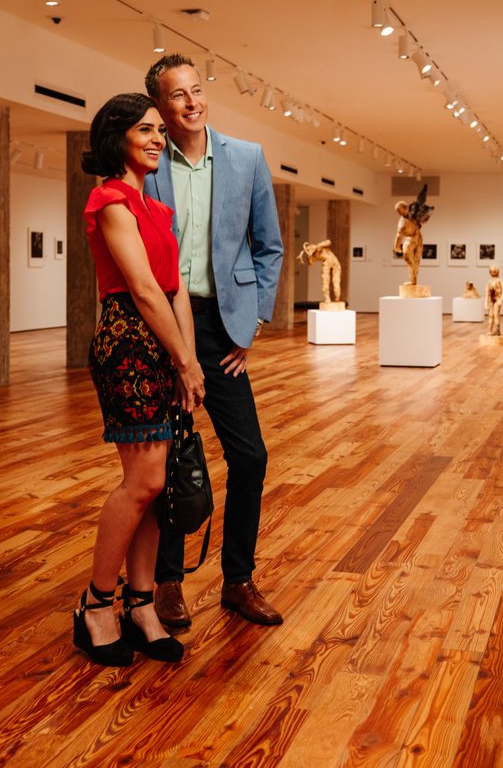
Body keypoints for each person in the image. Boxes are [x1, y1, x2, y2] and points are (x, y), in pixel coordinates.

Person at [143, 54, 285, 629]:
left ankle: (238, 579)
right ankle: (168, 582)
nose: (192, 102)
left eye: (197, 90)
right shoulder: (148, 164)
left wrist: (251, 324)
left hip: (223, 328)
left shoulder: (246, 158)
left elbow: (267, 246)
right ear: (160, 105)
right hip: (163, 327)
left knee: (250, 456)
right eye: (177, 95)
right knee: (170, 458)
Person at [75, 92, 205, 667]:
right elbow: (144, 290)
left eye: (160, 130)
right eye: (145, 129)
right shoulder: (109, 200)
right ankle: (97, 605)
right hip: (128, 341)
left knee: (155, 487)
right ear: (117, 138)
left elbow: (176, 291)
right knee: (143, 482)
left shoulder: (159, 210)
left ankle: (142, 602)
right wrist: (181, 360)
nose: (158, 137)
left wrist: (191, 361)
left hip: (166, 341)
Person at [393, 200, 424, 286]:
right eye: (398, 211)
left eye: (399, 210)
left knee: (415, 260)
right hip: (412, 239)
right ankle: (412, 279)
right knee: (409, 258)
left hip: (417, 238)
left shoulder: (411, 216)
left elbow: (399, 236)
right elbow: (399, 235)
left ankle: (413, 280)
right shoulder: (403, 222)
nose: (399, 213)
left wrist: (396, 247)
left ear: (405, 208)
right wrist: (396, 246)